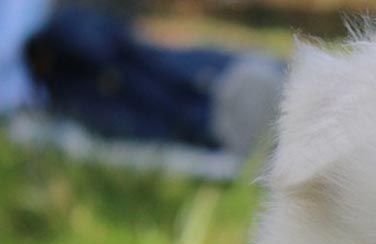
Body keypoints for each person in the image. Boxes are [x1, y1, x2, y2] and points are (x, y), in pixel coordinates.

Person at [2, 2, 282, 157]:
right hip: (48, 81)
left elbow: (96, 45)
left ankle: (237, 106)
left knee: (155, 77)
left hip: (51, 47)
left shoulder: (63, 37)